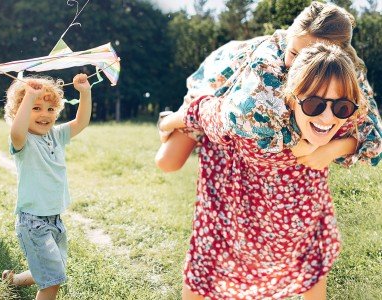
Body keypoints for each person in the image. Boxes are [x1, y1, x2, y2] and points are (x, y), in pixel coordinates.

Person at [156, 3, 382, 299]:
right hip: (219, 92)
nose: (296, 65)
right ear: (288, 40)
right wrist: (303, 144)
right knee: (167, 161)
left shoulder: (343, 70)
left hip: (283, 159)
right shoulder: (265, 69)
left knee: (310, 263)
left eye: (309, 58)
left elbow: (373, 132)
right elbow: (234, 118)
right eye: (294, 54)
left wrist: (335, 147)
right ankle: (169, 117)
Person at [1, 73, 92, 300]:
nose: (45, 114)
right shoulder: (23, 141)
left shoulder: (56, 135)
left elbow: (81, 122)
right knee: (53, 281)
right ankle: (21, 282)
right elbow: (16, 131)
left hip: (55, 220)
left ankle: (12, 281)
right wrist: (29, 96)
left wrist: (85, 92)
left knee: (51, 270)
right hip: (33, 222)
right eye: (36, 107)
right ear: (19, 111)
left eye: (51, 109)